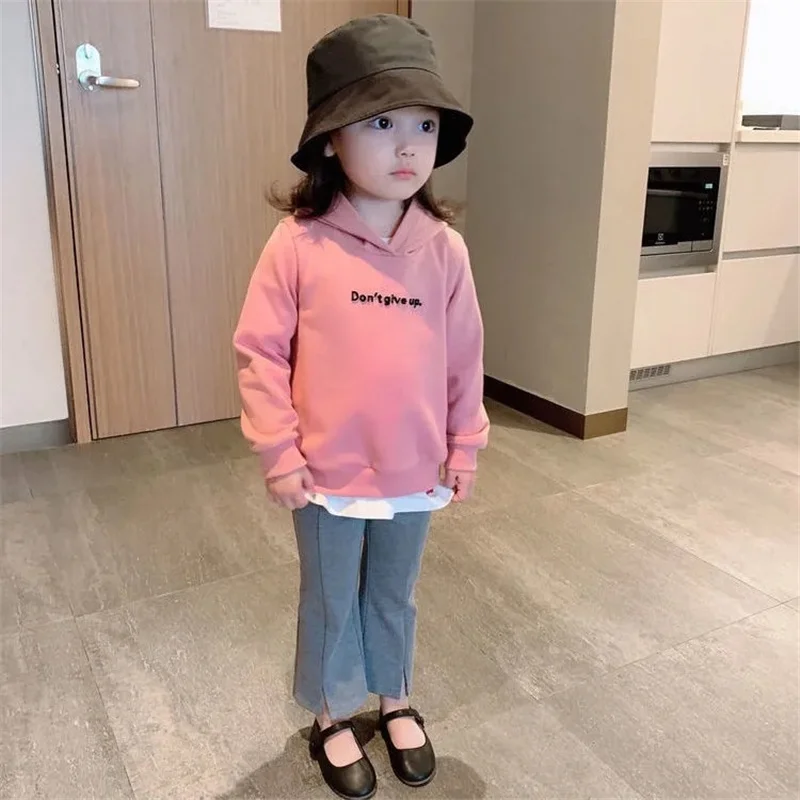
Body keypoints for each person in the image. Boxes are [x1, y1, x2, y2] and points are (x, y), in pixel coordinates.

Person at [234, 14, 488, 800]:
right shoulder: (298, 243)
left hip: (415, 467)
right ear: (330, 140)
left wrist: (465, 444)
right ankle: (333, 712)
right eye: (380, 123)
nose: (407, 145)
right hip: (326, 475)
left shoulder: (444, 249)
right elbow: (260, 352)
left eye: (423, 124)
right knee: (331, 596)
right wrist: (279, 451)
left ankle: (396, 698)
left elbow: (464, 356)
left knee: (394, 591)